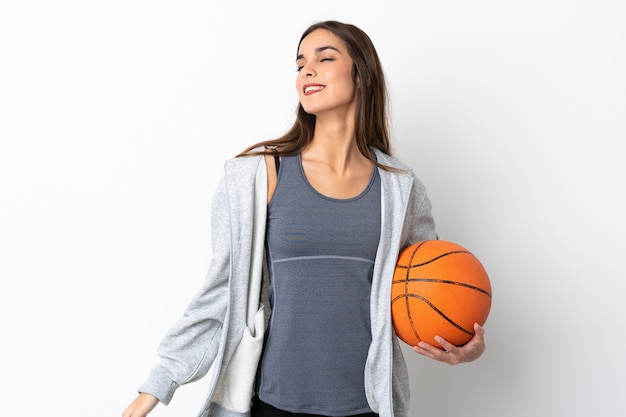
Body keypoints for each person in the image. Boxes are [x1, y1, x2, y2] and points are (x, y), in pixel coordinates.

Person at [122, 20, 485, 417]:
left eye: (324, 58)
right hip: (273, 405)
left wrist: (463, 342)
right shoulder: (257, 177)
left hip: (367, 407)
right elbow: (222, 293)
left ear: (361, 74)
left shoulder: (401, 190)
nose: (306, 71)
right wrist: (155, 389)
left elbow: (427, 289)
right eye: (300, 65)